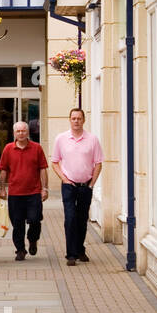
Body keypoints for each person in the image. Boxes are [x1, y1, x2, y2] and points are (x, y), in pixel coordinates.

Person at [50, 107, 103, 266]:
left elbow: (98, 163)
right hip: (69, 185)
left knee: (82, 219)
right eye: (73, 118)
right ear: (69, 120)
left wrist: (92, 183)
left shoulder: (92, 139)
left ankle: (80, 249)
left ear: (83, 120)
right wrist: (64, 179)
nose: (76, 121)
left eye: (79, 118)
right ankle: (71, 254)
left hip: (85, 185)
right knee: (70, 218)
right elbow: (54, 162)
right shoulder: (61, 138)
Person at [0, 121, 49, 261]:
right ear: (14, 133)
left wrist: (45, 188)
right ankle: (20, 249)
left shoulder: (37, 148)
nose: (21, 133)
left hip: (33, 192)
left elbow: (43, 168)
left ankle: (33, 240)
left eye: (23, 131)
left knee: (35, 219)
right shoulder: (8, 148)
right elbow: (3, 170)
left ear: (28, 132)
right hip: (15, 193)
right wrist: (2, 189)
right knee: (17, 223)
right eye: (18, 131)